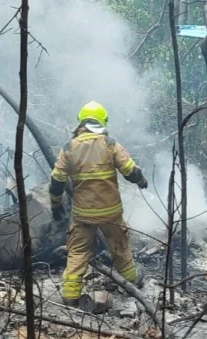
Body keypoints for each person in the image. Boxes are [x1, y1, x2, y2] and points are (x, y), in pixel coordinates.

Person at [49, 101, 149, 306]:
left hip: (82, 214)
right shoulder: (110, 143)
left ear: (81, 122)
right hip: (111, 213)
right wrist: (141, 180)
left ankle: (69, 294)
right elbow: (130, 170)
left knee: (77, 252)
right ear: (102, 121)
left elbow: (57, 181)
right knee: (120, 247)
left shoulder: (69, 148)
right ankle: (131, 281)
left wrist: (56, 205)